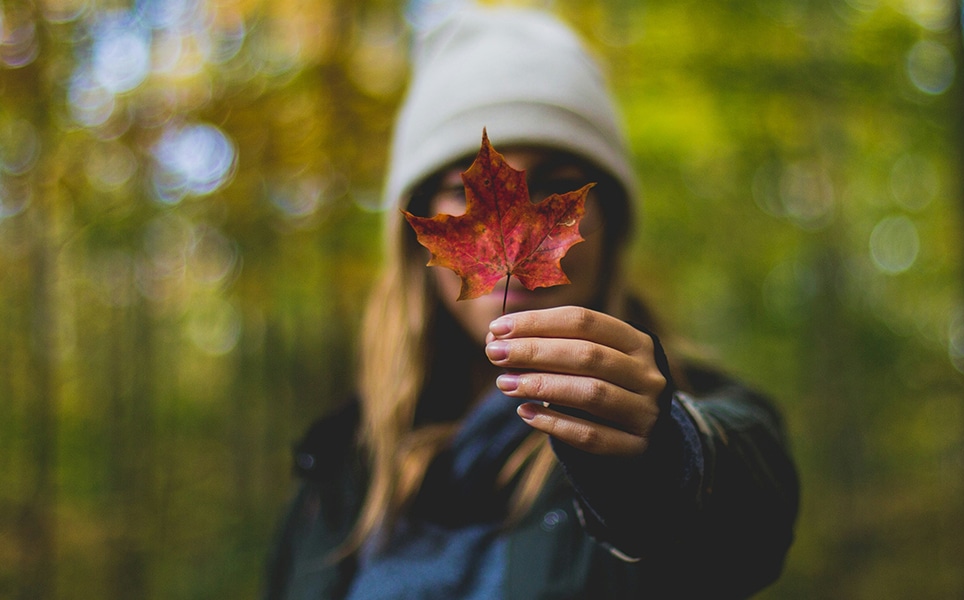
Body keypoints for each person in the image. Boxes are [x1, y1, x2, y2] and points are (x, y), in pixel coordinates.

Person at [264, 5, 799, 599]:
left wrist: (663, 455)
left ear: (609, 228)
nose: (510, 232)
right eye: (467, 188)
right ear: (417, 236)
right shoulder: (337, 475)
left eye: (554, 186)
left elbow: (751, 507)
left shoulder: (676, 411)